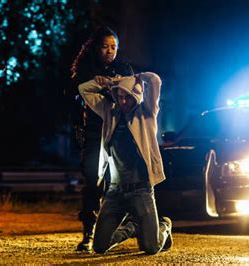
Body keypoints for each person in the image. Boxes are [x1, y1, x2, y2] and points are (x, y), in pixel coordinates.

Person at [78, 73, 173, 254]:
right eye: (120, 97)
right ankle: (132, 227)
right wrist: (109, 82)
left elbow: (155, 80)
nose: (123, 102)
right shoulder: (109, 111)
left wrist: (136, 76)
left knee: (151, 247)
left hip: (141, 190)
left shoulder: (147, 113)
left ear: (136, 96)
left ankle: (164, 226)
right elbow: (84, 89)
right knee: (99, 247)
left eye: (127, 97)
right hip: (115, 192)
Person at [68, 26, 134, 251]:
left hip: (119, 132)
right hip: (94, 132)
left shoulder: (124, 68)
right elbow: (75, 94)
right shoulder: (85, 70)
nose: (109, 51)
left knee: (117, 181)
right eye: (105, 46)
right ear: (95, 47)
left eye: (114, 47)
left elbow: (133, 93)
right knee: (92, 180)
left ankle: (116, 227)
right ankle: (88, 231)